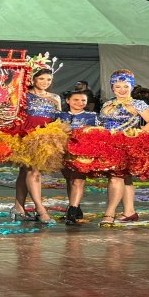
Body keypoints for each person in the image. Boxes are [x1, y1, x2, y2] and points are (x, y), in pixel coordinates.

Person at [98, 69, 149, 226]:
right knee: (124, 177)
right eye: (118, 87)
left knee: (116, 177)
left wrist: (135, 134)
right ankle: (129, 211)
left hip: (126, 145)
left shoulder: (137, 103)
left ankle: (109, 213)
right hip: (109, 144)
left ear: (131, 87)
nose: (122, 90)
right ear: (112, 87)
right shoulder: (107, 103)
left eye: (126, 86)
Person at [10, 63, 62, 225]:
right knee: (33, 171)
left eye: (49, 79)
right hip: (27, 136)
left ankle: (18, 207)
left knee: (26, 172)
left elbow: (58, 119)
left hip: (46, 137)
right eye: (41, 79)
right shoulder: (24, 95)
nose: (45, 82)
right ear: (33, 79)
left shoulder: (55, 97)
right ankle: (40, 209)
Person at [56, 90, 98, 225]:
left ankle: (72, 212)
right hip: (63, 152)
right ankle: (75, 207)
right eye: (76, 100)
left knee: (77, 181)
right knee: (70, 180)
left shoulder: (93, 116)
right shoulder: (59, 116)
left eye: (83, 100)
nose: (80, 103)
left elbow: (98, 134)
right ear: (68, 101)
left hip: (83, 152)